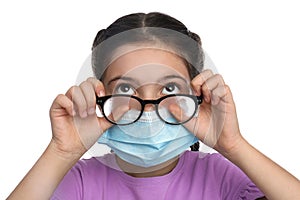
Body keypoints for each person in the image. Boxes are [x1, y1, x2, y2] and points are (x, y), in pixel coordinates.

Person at [8, 12, 300, 200]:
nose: (148, 107)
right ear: (100, 96)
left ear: (197, 96)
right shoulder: (79, 182)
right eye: (125, 88)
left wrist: (234, 144)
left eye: (170, 88)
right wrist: (61, 152)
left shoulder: (221, 177)